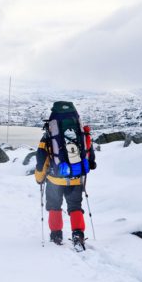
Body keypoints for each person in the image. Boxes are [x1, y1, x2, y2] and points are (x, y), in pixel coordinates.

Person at [34, 101, 96, 250]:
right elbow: (90, 156)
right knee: (75, 207)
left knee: (54, 206)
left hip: (54, 180)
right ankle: (78, 235)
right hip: (75, 179)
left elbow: (41, 160)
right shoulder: (81, 134)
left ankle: (56, 235)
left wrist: (39, 178)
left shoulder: (48, 137)